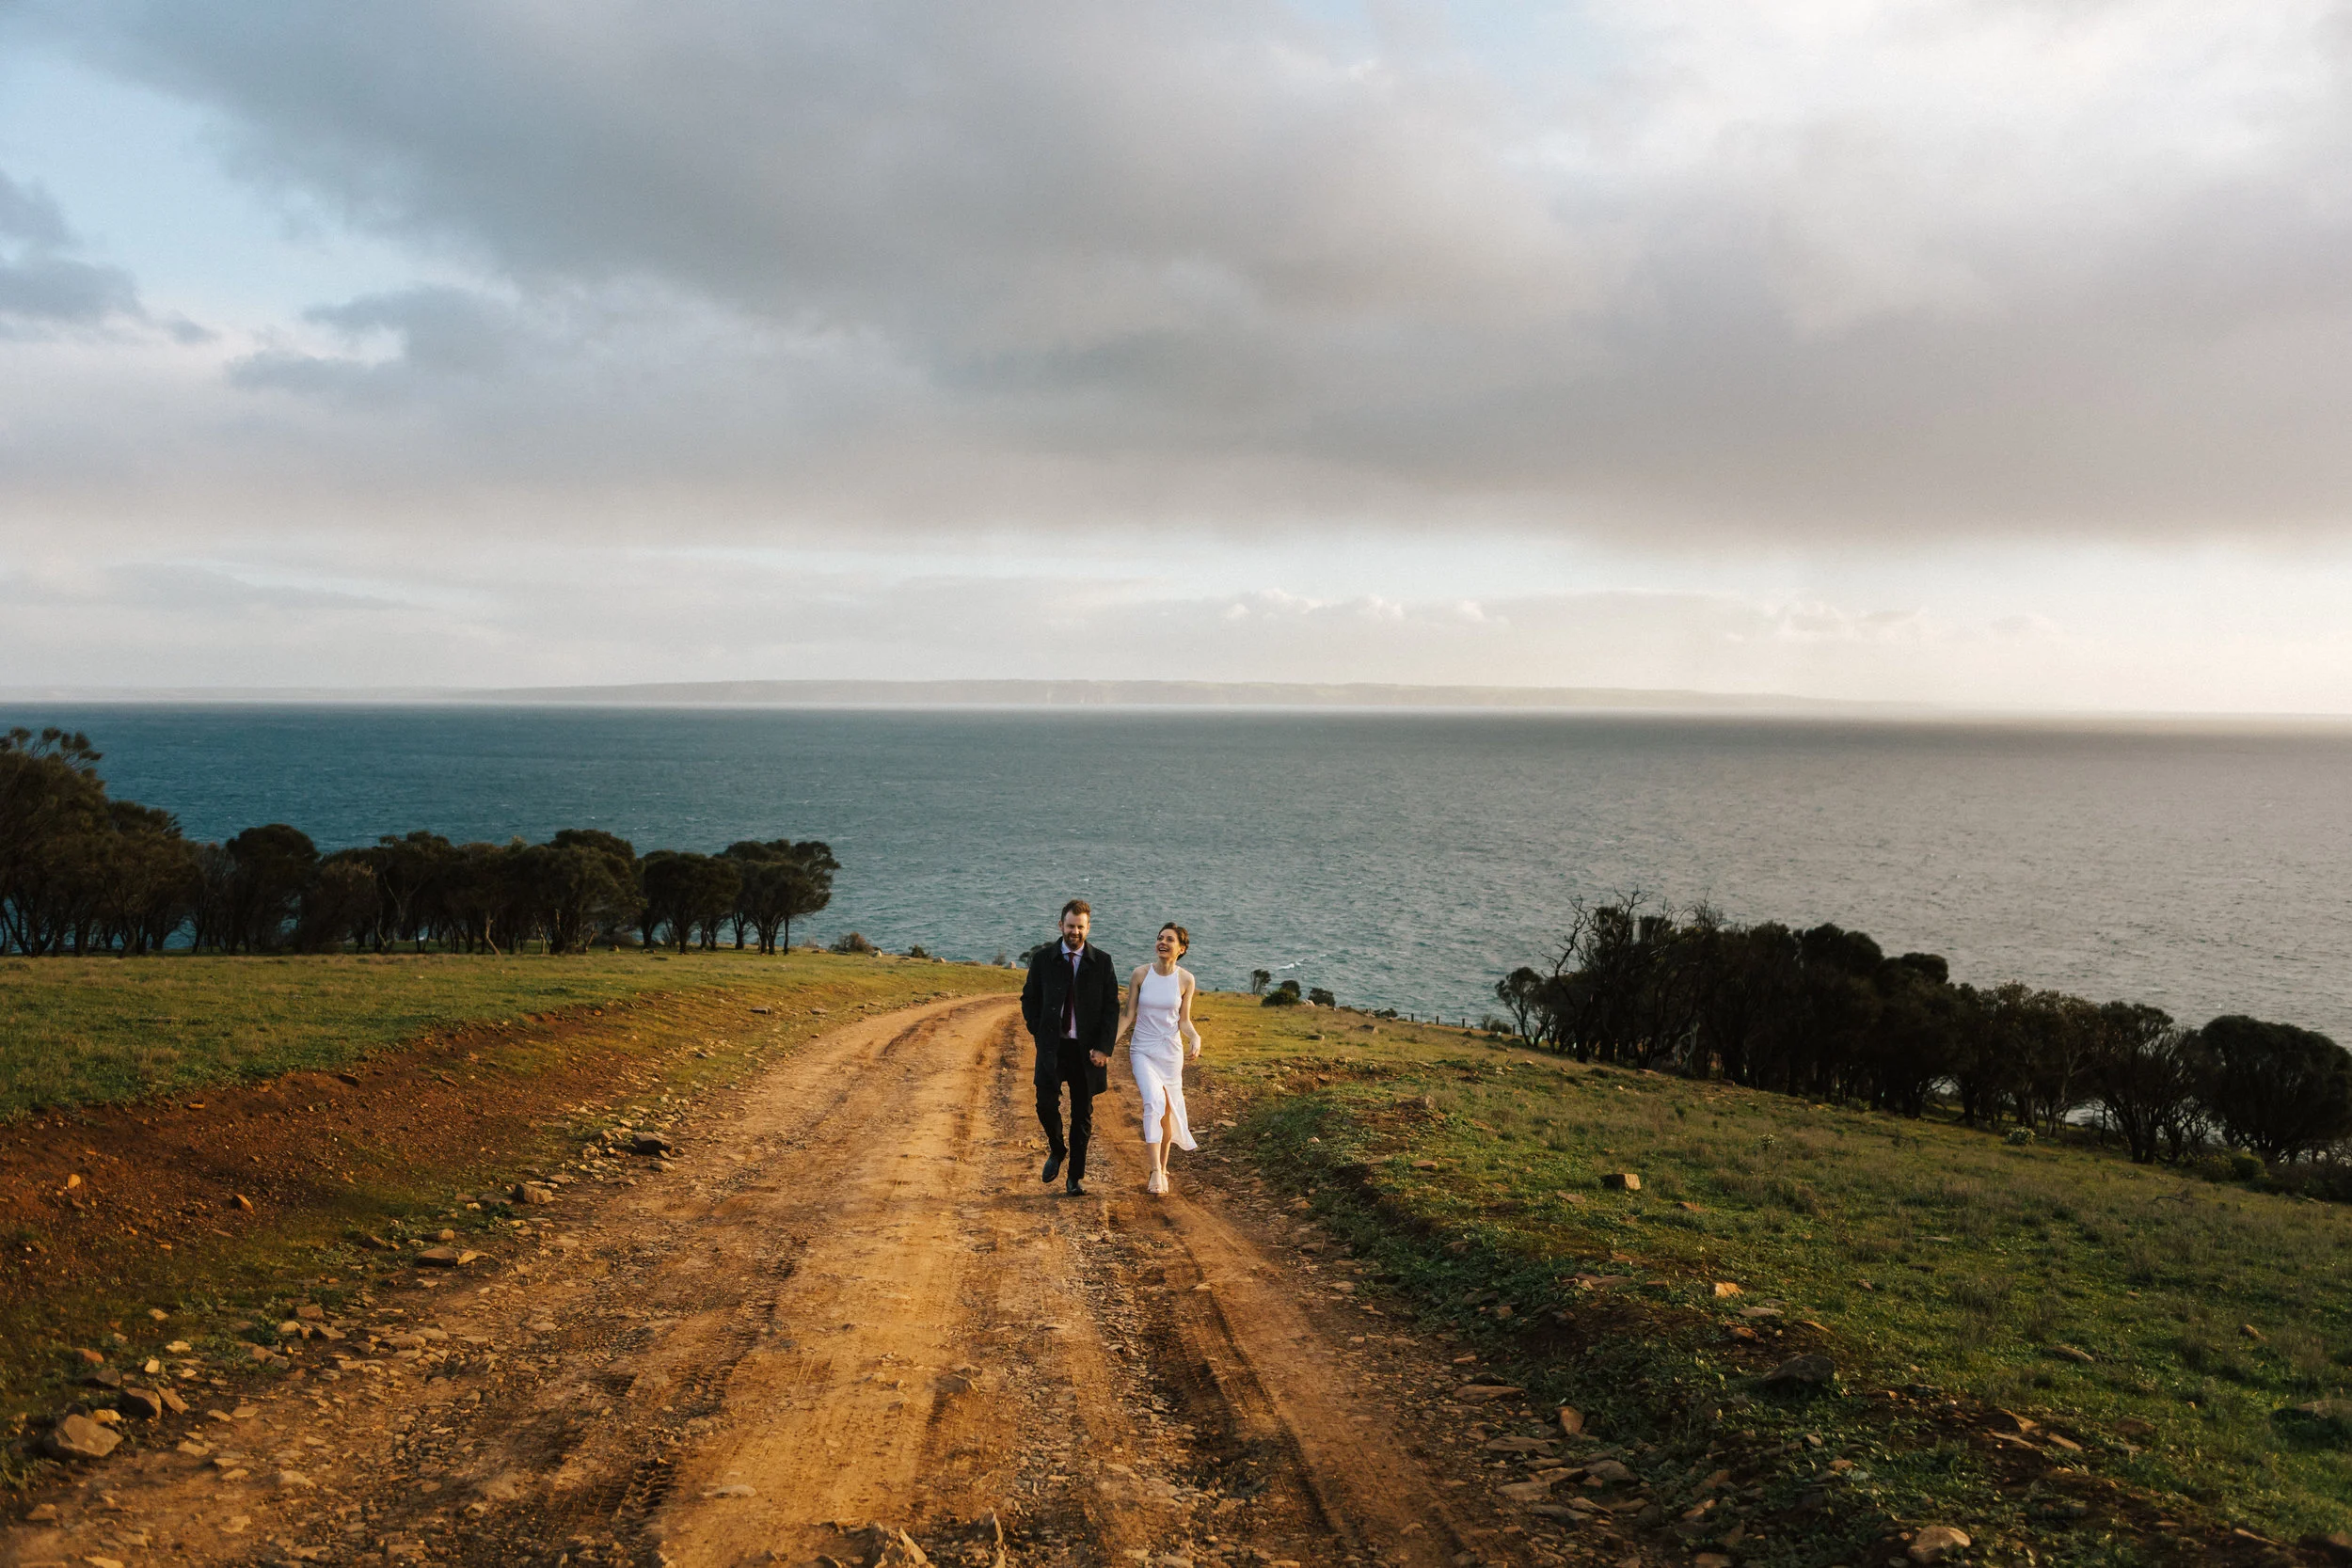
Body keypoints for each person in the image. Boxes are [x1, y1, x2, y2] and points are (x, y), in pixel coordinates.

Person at [1020, 898, 1119, 1196]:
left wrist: (1104, 1048)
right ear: (1060, 925)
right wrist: (1037, 1030)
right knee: (1045, 1104)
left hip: (1086, 1052)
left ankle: (1075, 1177)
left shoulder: (1102, 962)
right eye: (1070, 925)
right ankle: (1057, 1149)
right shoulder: (1042, 959)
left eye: (1080, 927)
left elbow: (1111, 1009)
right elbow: (1029, 999)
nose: (1074, 932)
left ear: (1088, 928)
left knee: (1082, 1114)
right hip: (1053, 1047)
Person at [1117, 922, 1203, 1196]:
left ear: (1182, 948)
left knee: (1167, 1112)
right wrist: (1107, 1047)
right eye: (1160, 938)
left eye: (1169, 940)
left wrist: (1195, 1037)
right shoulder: (1140, 974)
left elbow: (1184, 1021)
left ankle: (1163, 1168)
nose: (1162, 943)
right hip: (1142, 1049)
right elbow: (1128, 1014)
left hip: (1170, 1054)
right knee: (1153, 1101)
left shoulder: (1186, 980)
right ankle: (1155, 1170)